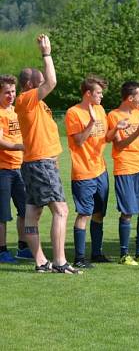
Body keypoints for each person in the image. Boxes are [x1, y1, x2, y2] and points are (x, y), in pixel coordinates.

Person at [15, 35, 77, 273]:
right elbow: (51, 82)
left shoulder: (35, 104)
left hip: (37, 162)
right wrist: (47, 53)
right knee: (61, 210)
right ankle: (60, 261)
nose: (43, 87)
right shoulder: (26, 99)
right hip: (39, 163)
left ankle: (41, 262)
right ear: (30, 86)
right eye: (38, 83)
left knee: (33, 212)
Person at [106, 81, 139, 265]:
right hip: (125, 168)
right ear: (130, 98)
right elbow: (119, 144)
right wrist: (137, 131)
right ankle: (124, 253)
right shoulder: (113, 116)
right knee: (128, 212)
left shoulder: (138, 114)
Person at [64, 76, 111, 268]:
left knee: (99, 213)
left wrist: (118, 130)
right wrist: (91, 122)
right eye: (98, 93)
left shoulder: (100, 110)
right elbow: (79, 141)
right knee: (84, 214)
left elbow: (105, 137)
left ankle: (97, 253)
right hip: (84, 172)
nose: (101, 96)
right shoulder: (73, 113)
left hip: (101, 170)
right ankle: (79, 258)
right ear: (88, 93)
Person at [0, 74, 30, 263]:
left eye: (13, 91)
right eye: (6, 92)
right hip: (3, 169)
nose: (11, 95)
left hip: (21, 167)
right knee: (2, 214)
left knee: (25, 210)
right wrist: (20, 146)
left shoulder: (17, 111)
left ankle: (23, 247)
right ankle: (2, 251)